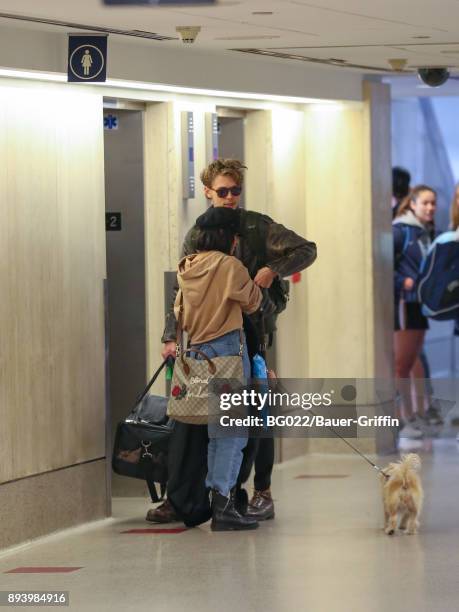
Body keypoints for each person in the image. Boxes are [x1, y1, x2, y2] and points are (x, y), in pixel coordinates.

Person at [147, 158, 317, 524]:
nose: (229, 197)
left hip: (252, 335)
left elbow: (306, 250)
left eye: (235, 191)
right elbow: (179, 291)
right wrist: (170, 336)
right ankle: (198, 497)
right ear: (207, 192)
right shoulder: (200, 233)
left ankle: (260, 491)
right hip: (209, 339)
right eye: (222, 191)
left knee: (254, 415)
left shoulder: (257, 226)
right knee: (209, 422)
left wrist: (274, 270)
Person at [175, 206, 262, 530]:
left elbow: (180, 313)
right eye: (236, 236)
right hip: (226, 353)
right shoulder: (230, 266)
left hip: (198, 353)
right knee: (231, 435)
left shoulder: (187, 266)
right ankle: (223, 504)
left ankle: (218, 501)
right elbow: (253, 302)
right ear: (229, 237)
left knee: (216, 434)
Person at [393, 185, 436, 438]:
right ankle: (404, 417)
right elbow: (384, 263)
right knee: (403, 363)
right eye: (425, 203)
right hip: (404, 303)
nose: (430, 208)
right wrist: (402, 282)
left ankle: (412, 416)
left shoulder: (426, 232)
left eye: (433, 203)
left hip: (419, 303)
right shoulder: (401, 231)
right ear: (413, 204)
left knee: (412, 359)